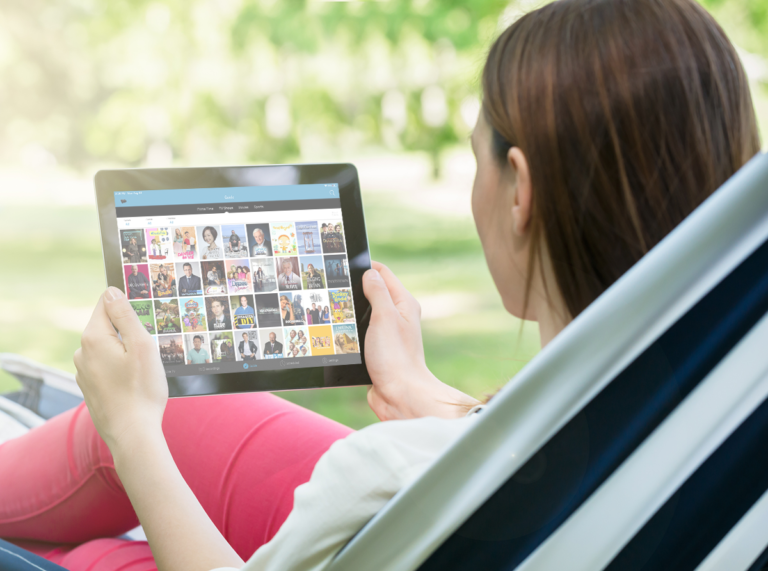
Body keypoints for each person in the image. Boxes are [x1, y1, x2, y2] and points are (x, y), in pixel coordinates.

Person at [0, 1, 761, 569]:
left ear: (520, 189)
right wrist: (429, 394)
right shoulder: (719, 419)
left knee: (109, 552)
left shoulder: (387, 469)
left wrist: (130, 427)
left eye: (477, 158)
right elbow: (566, 443)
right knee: (197, 420)